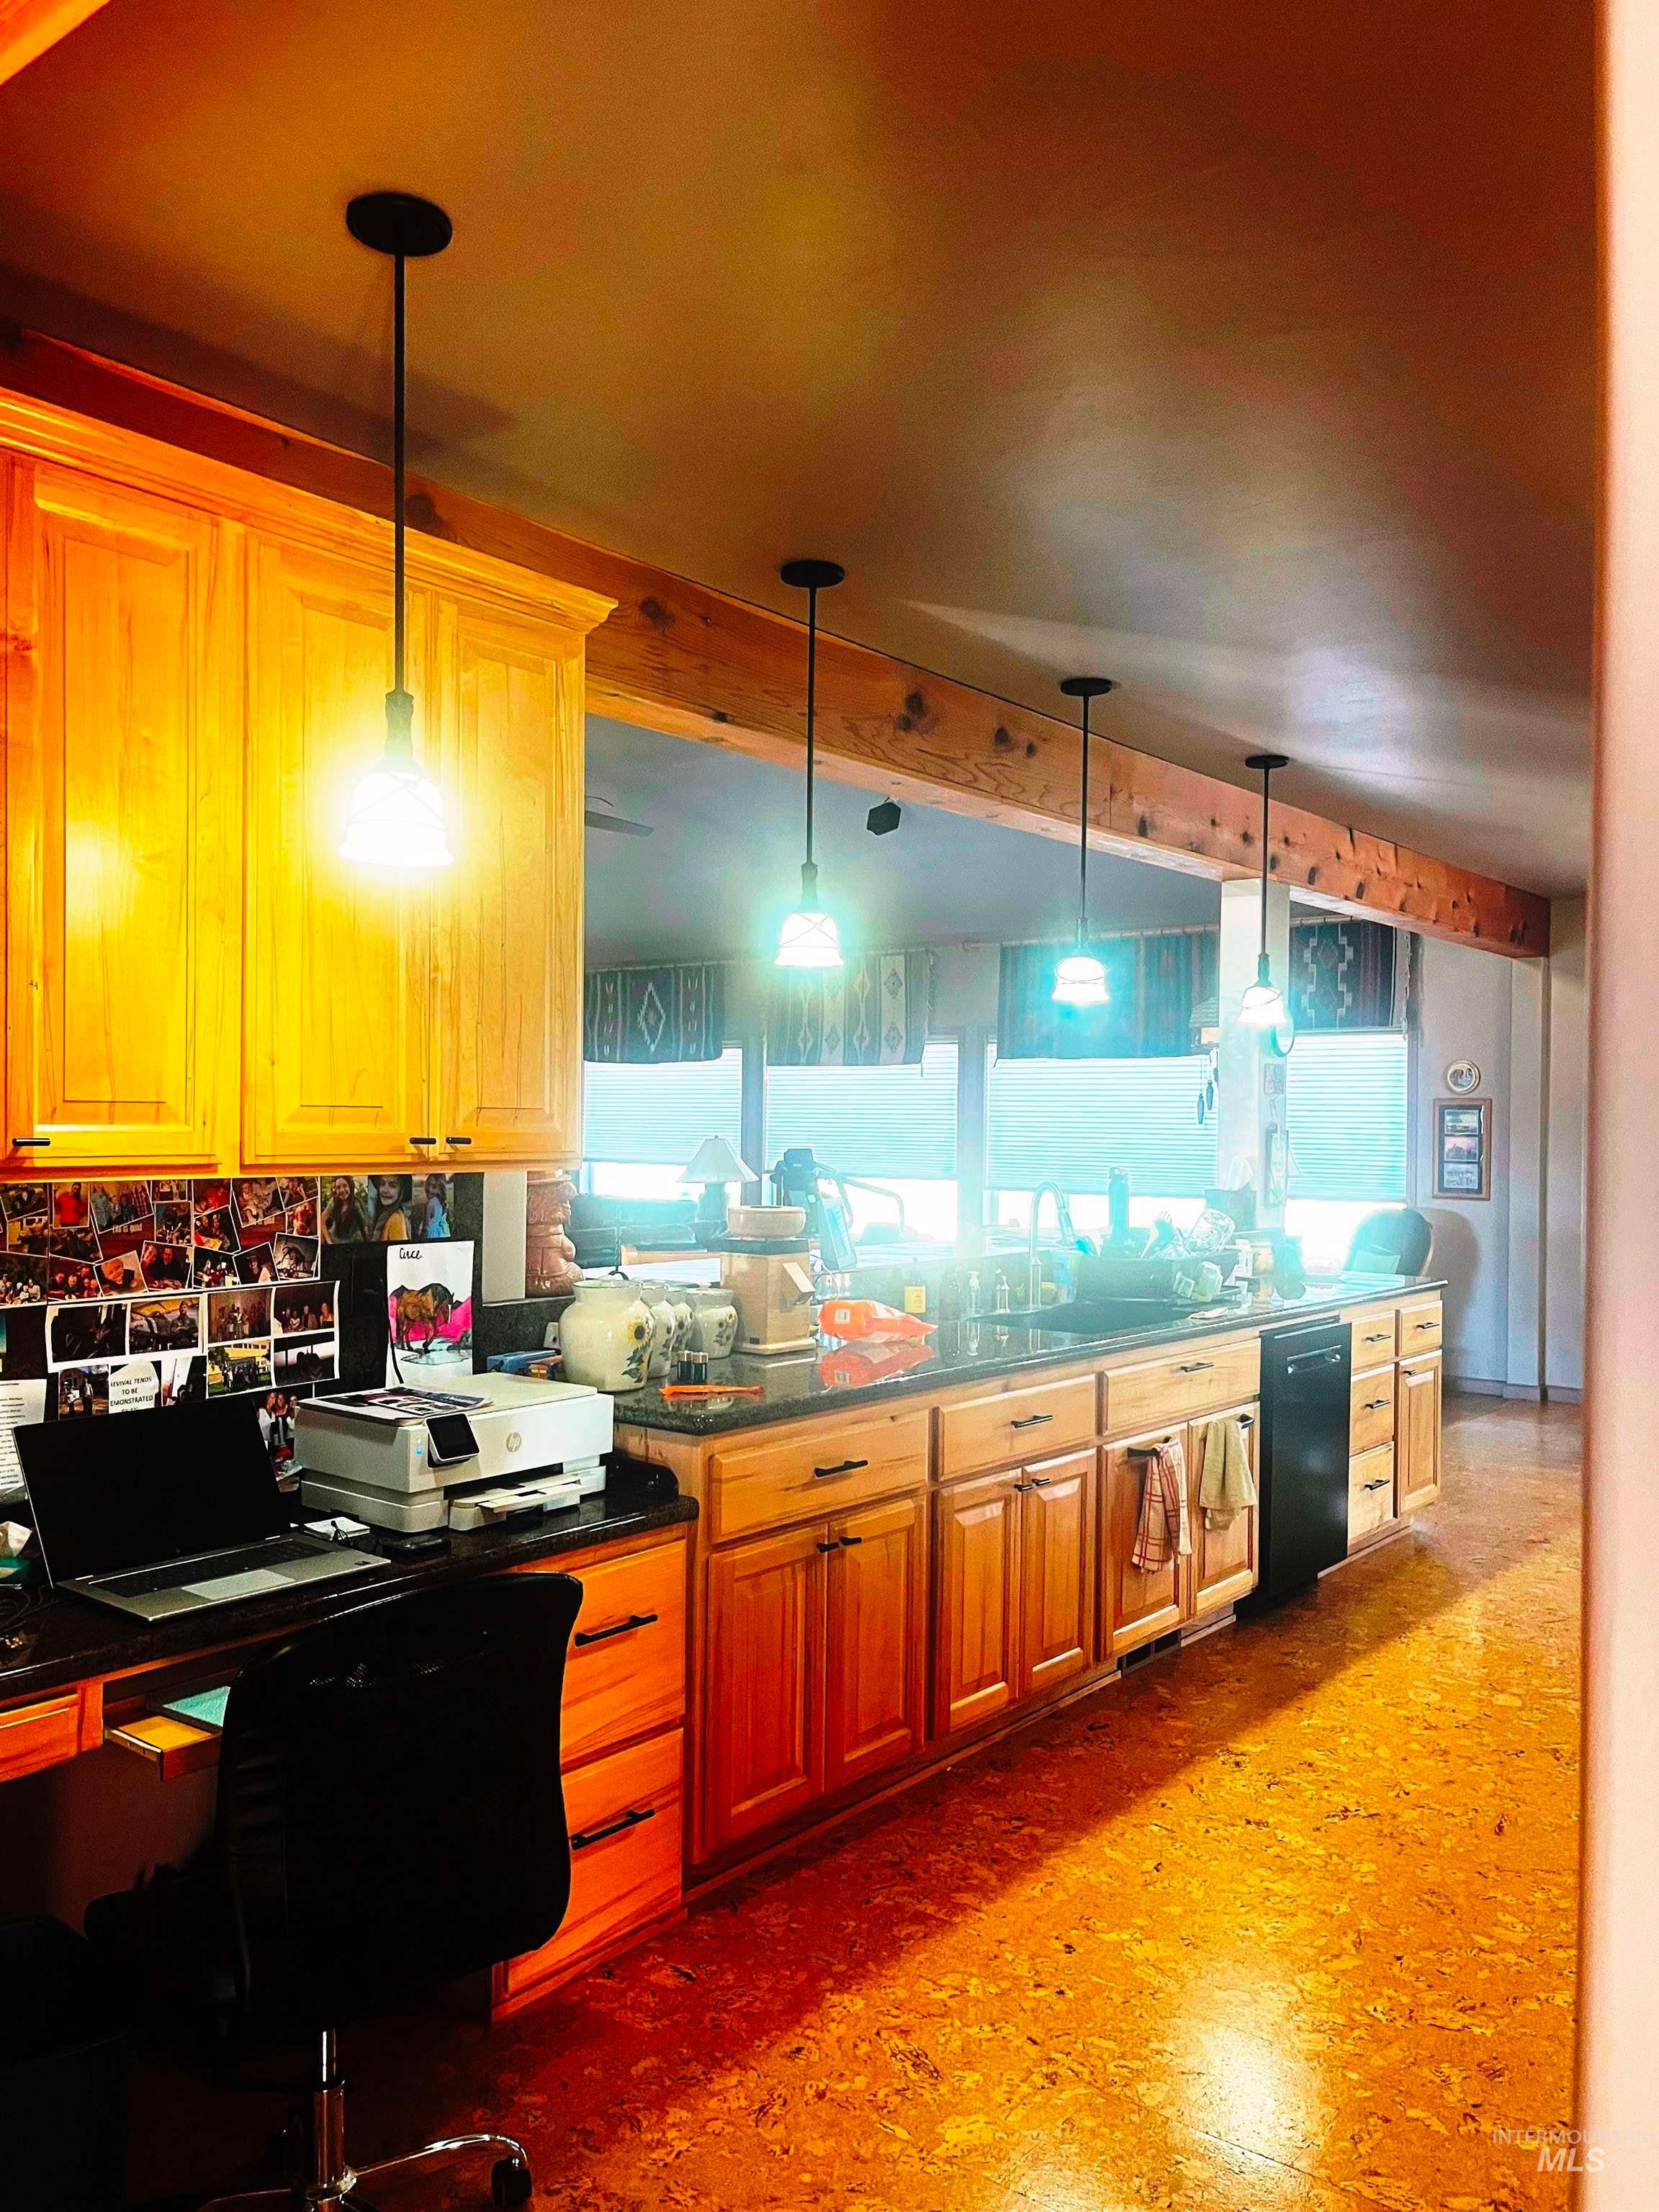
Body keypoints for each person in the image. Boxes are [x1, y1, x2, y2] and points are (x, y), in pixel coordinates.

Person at [323, 1175, 369, 1244]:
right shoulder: (334, 1201)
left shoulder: (357, 1204)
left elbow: (365, 1227)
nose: (342, 1190)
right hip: (334, 1242)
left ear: (350, 1187)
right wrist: (329, 1241)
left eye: (345, 1186)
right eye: (338, 1187)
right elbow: (322, 1219)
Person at [369, 1175, 411, 1241]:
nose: (385, 1190)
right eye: (382, 1184)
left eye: (392, 1186)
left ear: (400, 1191)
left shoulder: (396, 1220)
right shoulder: (382, 1214)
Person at [420, 1174, 451, 1239]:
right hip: (443, 1235)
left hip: (432, 1236)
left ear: (440, 1189)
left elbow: (425, 1228)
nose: (429, 1189)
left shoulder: (429, 1205)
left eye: (434, 1187)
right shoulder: (443, 1202)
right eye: (428, 1184)